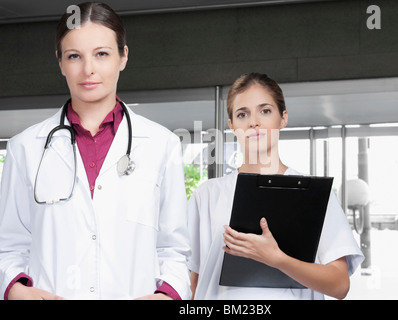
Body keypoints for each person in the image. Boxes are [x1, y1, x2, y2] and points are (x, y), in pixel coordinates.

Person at [0, 2, 190, 300]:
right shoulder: (25, 147)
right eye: (74, 56)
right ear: (60, 62)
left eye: (102, 54)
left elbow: (175, 249)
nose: (88, 69)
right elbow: (9, 245)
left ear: (123, 57)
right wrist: (14, 290)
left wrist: (166, 296)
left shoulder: (161, 144)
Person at [187, 72, 364, 300]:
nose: (254, 122)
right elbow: (193, 283)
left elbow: (339, 285)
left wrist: (276, 258)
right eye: (243, 114)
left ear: (283, 118)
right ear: (232, 125)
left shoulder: (314, 195)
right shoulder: (207, 196)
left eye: (265, 111)